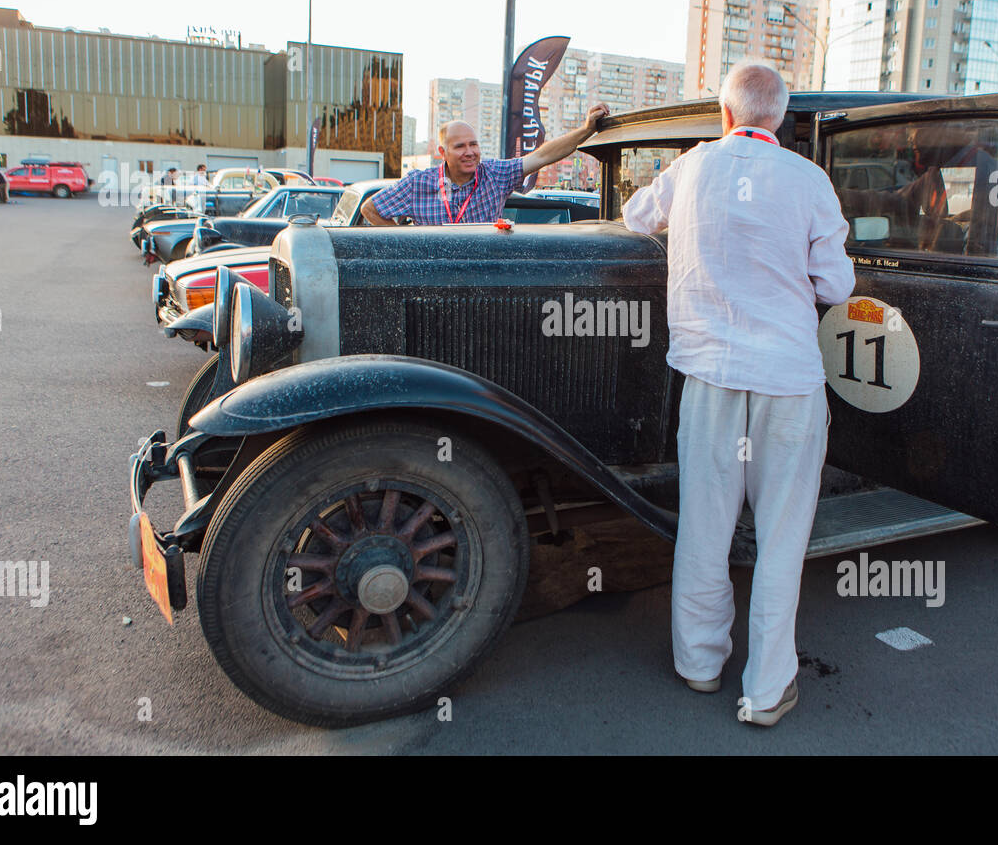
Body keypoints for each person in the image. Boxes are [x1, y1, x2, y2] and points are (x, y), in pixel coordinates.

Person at [621, 61, 855, 727]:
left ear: (725, 114)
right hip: (787, 381)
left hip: (710, 377)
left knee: (703, 526)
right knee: (782, 537)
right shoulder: (810, 180)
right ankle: (767, 689)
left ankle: (698, 663)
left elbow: (638, 217)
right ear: (777, 117)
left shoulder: (691, 166)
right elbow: (835, 287)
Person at [360, 103, 610, 225]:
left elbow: (543, 156)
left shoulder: (495, 175)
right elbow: (370, 209)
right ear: (442, 152)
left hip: (482, 281)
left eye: (474, 144)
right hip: (433, 283)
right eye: (460, 147)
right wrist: (408, 243)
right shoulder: (418, 183)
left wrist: (586, 129)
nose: (470, 152)